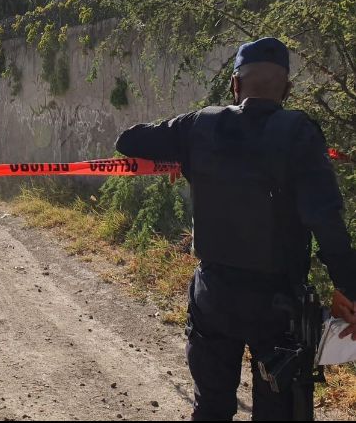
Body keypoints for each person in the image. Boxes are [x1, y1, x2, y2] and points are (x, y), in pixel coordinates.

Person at [114, 37, 356, 421]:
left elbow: (127, 140)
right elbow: (324, 217)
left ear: (235, 85)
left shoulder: (200, 126)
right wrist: (348, 285)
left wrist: (183, 152)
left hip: (214, 296)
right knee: (280, 409)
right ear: (287, 89)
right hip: (278, 303)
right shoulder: (299, 133)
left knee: (211, 409)